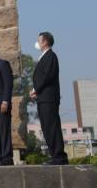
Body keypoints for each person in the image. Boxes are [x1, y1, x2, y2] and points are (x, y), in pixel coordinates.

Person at [31, 31, 68, 165]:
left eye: (39, 40)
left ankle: (59, 156)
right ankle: (54, 155)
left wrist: (36, 89)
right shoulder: (44, 57)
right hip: (42, 98)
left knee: (52, 126)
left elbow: (47, 76)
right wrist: (36, 91)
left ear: (45, 42)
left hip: (49, 98)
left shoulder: (51, 56)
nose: (37, 43)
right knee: (46, 127)